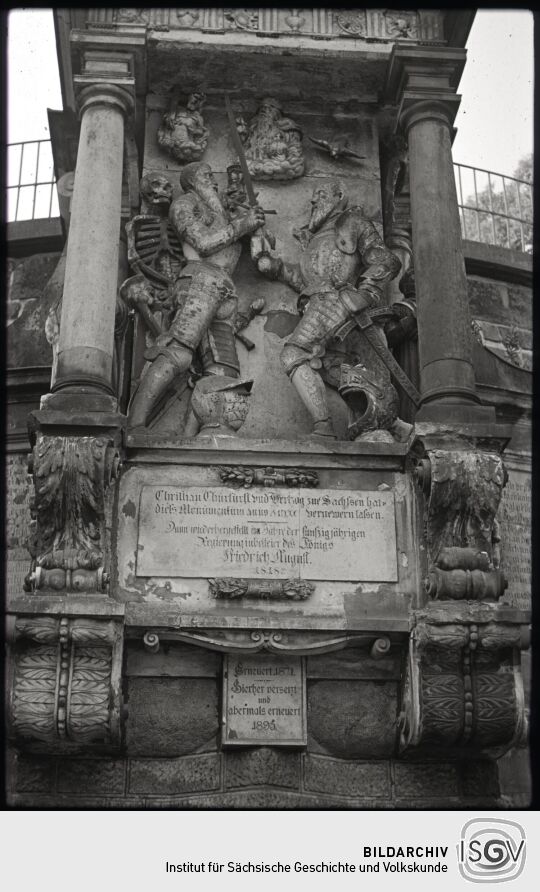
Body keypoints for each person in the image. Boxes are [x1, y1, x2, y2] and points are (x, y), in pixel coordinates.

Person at [252, 178, 401, 439]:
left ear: (339, 196)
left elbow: (386, 260)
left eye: (320, 194)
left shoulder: (353, 224)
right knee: (336, 369)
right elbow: (308, 282)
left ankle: (323, 428)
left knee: (293, 355)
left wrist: (365, 294)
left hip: (334, 302)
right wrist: (275, 268)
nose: (312, 200)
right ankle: (386, 421)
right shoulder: (315, 238)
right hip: (317, 302)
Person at [128, 162, 265, 429]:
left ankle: (195, 437)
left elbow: (261, 259)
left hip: (224, 287)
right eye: (208, 176)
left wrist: (255, 228)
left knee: (224, 373)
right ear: (191, 181)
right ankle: (136, 424)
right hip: (200, 278)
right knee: (179, 352)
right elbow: (202, 244)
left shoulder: (223, 213)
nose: (214, 181)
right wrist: (242, 225)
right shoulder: (184, 205)